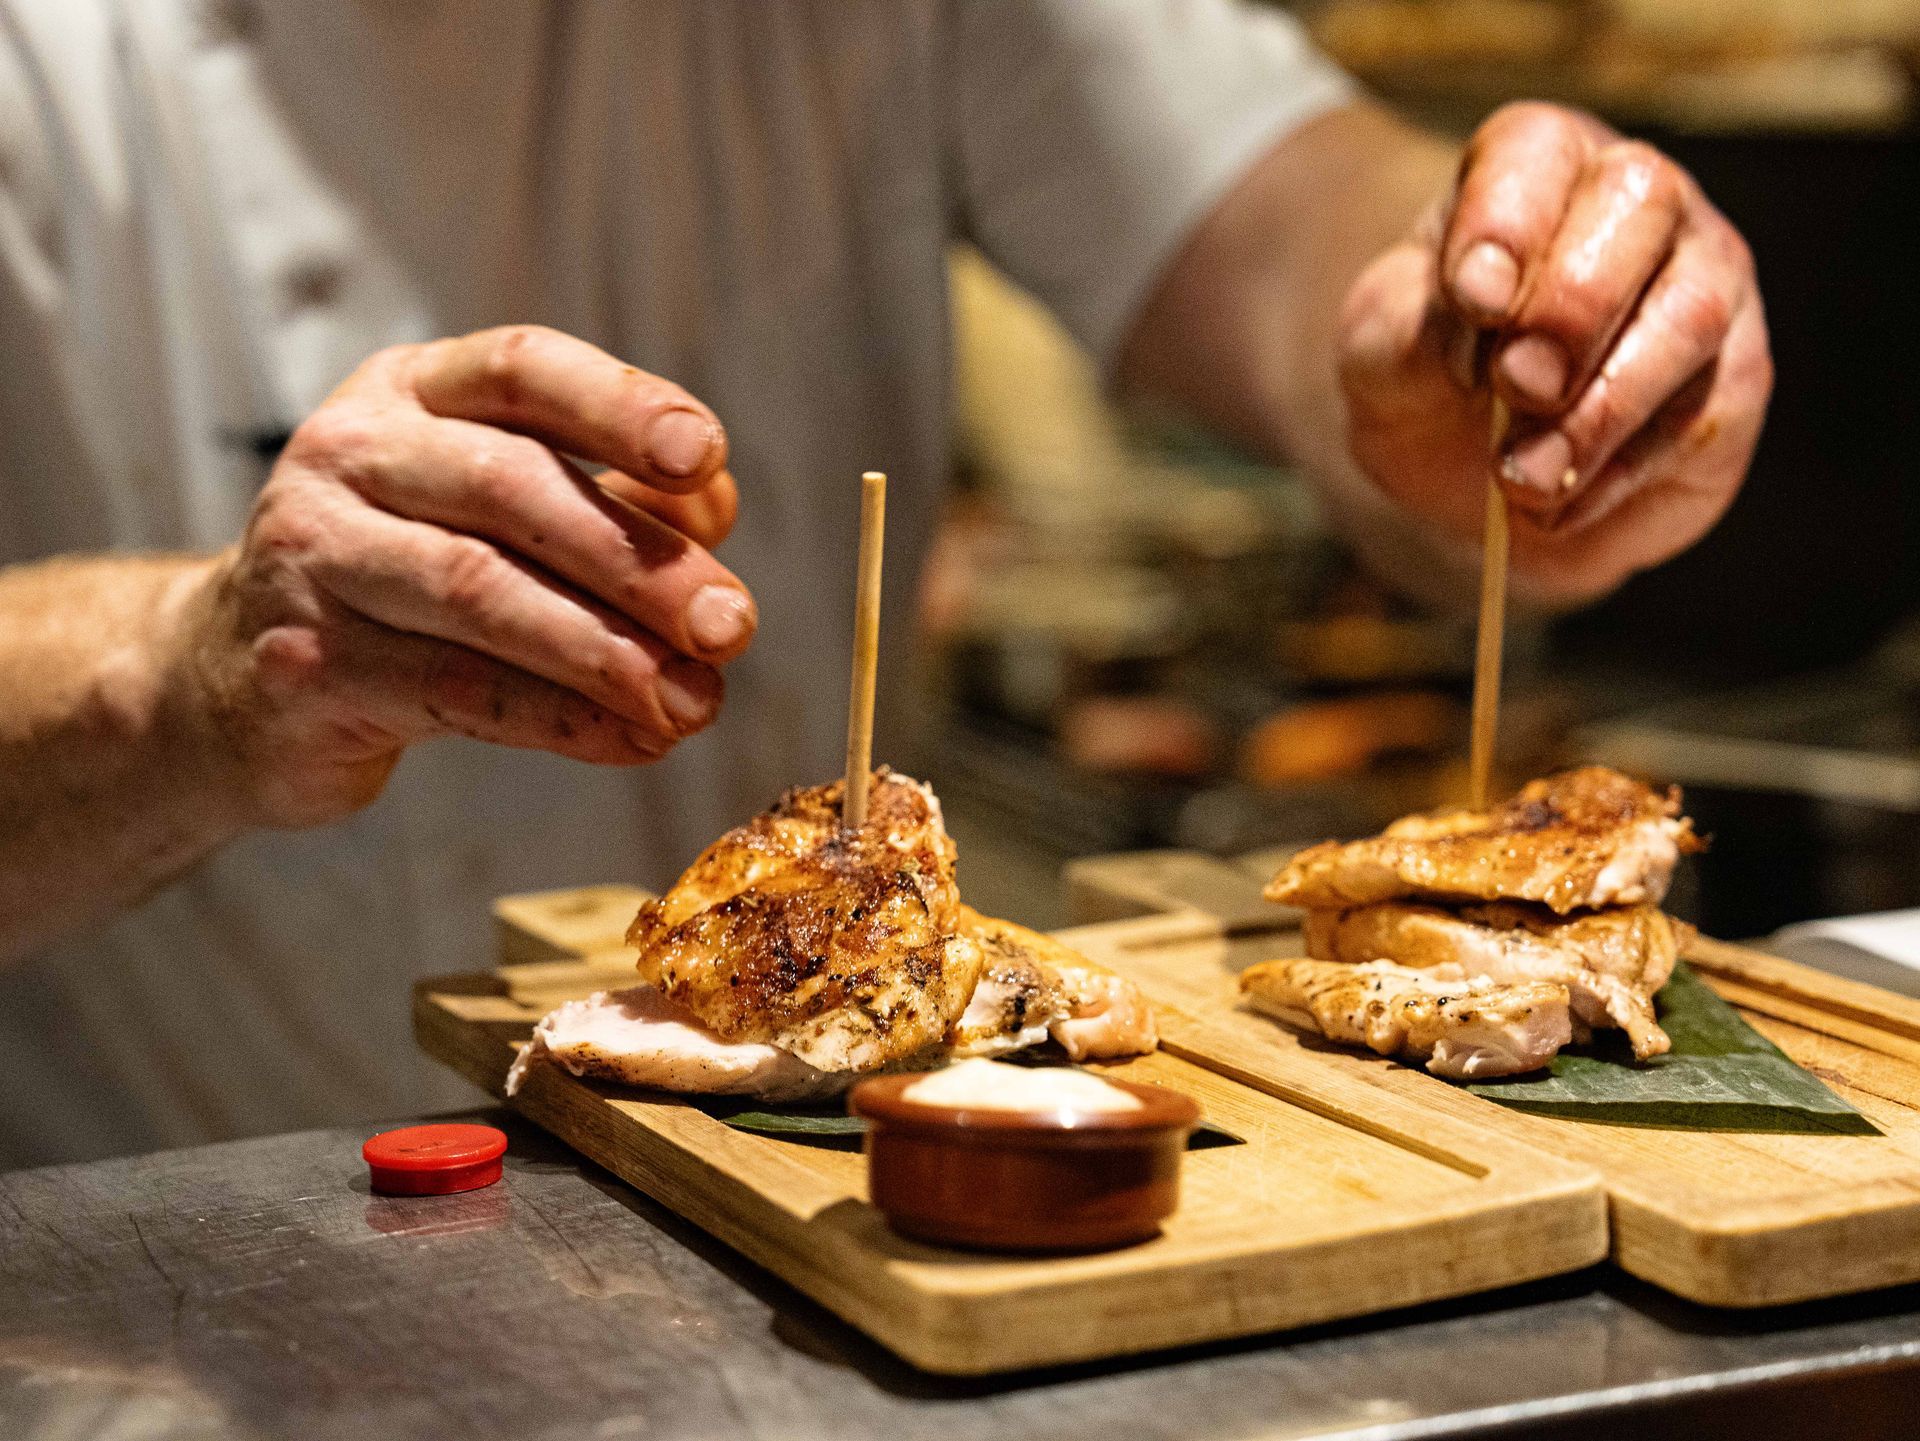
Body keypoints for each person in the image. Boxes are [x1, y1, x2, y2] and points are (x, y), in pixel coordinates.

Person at [0, 1, 1769, 1165]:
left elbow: (1294, 216)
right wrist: (184, 666)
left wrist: (1482, 314)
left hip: (808, 1264)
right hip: (149, 1284)